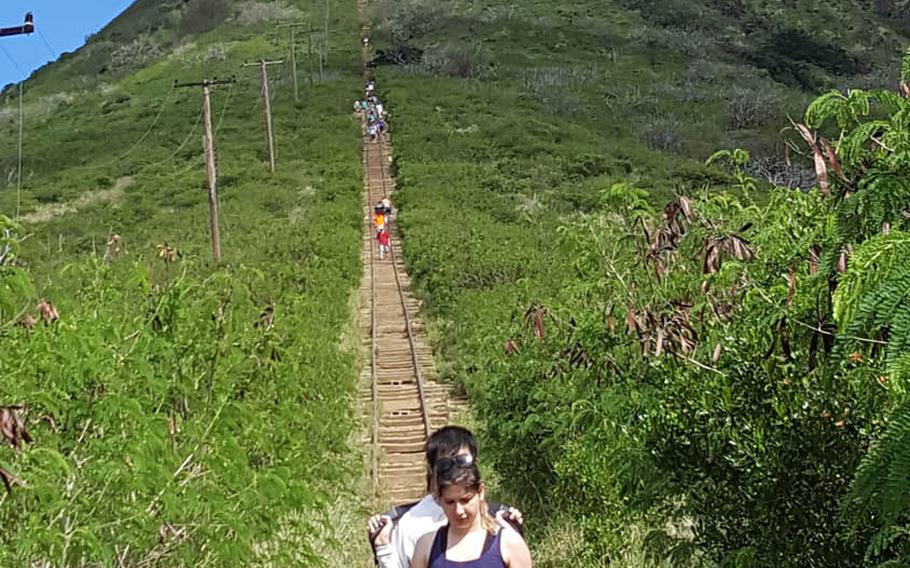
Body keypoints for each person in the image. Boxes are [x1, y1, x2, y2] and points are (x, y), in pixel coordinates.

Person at [369, 426, 524, 568]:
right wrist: (383, 547)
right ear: (433, 469)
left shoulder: (501, 524)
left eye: (462, 461)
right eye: (446, 464)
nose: (459, 511)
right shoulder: (412, 526)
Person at [412, 457, 532, 568]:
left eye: (465, 500)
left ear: (480, 492)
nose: (458, 511)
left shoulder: (509, 544)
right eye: (450, 502)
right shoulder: (426, 545)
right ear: (439, 500)